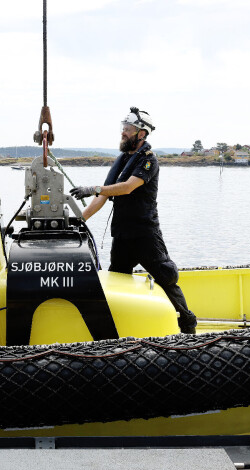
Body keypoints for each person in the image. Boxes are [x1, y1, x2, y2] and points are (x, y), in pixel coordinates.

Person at [70, 107, 198, 334]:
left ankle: (188, 325)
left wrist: (92, 188)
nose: (123, 133)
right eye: (123, 129)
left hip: (145, 234)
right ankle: (118, 329)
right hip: (122, 235)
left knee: (166, 277)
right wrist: (80, 220)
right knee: (117, 281)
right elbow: (104, 195)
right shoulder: (121, 160)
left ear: (141, 134)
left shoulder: (148, 160)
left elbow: (128, 187)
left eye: (128, 130)